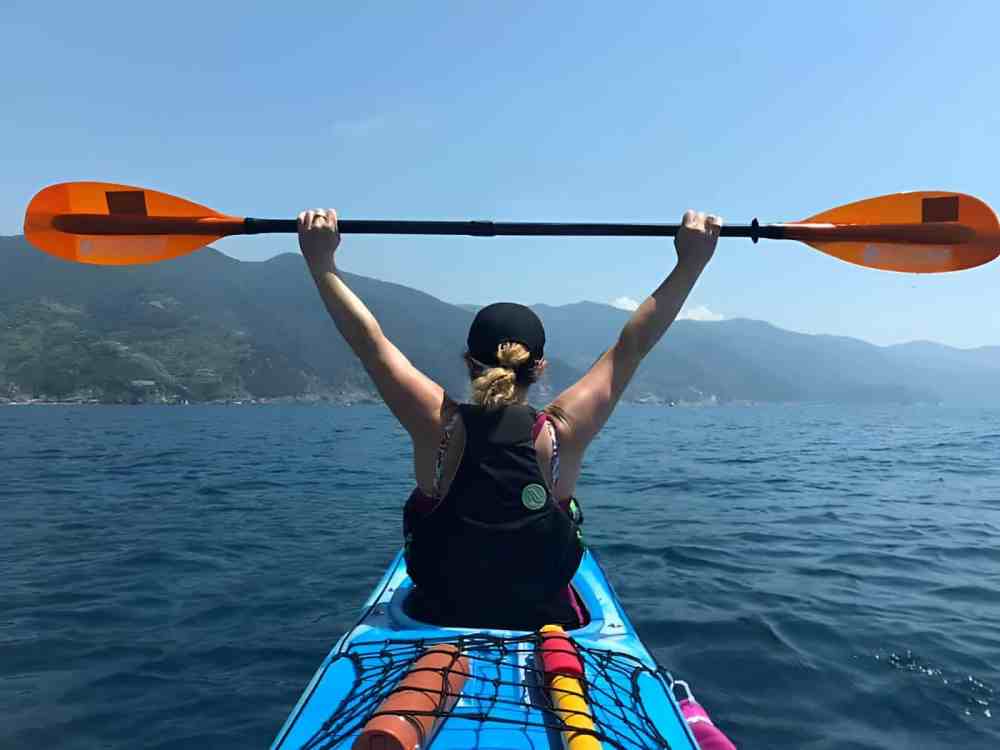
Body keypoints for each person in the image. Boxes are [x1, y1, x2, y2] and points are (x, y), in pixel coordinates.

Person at [298, 207, 721, 630]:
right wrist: (691, 263)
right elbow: (632, 345)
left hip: (437, 611)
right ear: (539, 367)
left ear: (469, 362)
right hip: (544, 618)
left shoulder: (437, 425)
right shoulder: (562, 433)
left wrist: (321, 264)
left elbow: (369, 342)